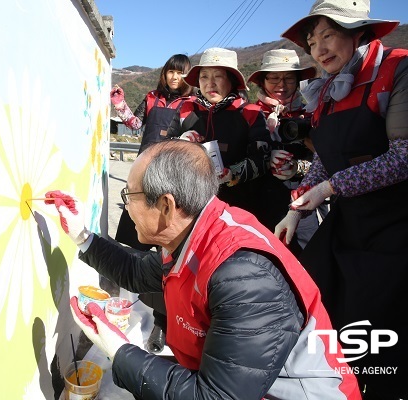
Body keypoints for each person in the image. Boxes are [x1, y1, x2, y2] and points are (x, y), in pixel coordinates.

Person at [45, 140, 360, 399]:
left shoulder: (243, 275)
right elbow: (136, 272)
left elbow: (215, 396)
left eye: (129, 195)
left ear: (166, 206)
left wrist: (118, 348)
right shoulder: (196, 233)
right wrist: (80, 235)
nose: (125, 206)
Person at [275, 0, 408, 397]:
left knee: (382, 331)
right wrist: (296, 207)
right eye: (312, 42)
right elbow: (324, 159)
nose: (318, 49)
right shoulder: (329, 89)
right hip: (350, 225)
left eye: (328, 35)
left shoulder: (397, 69)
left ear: (358, 32)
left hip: (395, 229)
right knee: (327, 307)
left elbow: (403, 157)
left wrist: (329, 189)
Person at [111, 54, 197, 354]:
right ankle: (128, 302)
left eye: (181, 73)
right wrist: (120, 105)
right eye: (171, 72)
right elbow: (135, 125)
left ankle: (163, 319)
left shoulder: (193, 104)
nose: (175, 78)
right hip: (141, 175)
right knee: (133, 242)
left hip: (169, 182)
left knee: (166, 251)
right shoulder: (150, 98)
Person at [178, 47, 274, 230]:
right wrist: (180, 142)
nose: (210, 83)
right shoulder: (185, 110)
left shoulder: (250, 113)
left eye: (218, 76)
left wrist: (233, 174)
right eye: (204, 76)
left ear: (232, 80)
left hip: (237, 208)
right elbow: (163, 149)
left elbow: (262, 160)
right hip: (190, 207)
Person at [247, 49, 322, 253]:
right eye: (273, 78)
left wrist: (298, 168)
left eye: (289, 78)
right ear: (262, 81)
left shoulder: (312, 114)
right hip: (257, 205)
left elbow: (324, 159)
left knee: (307, 261)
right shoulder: (249, 114)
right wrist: (263, 158)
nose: (281, 84)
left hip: (301, 207)